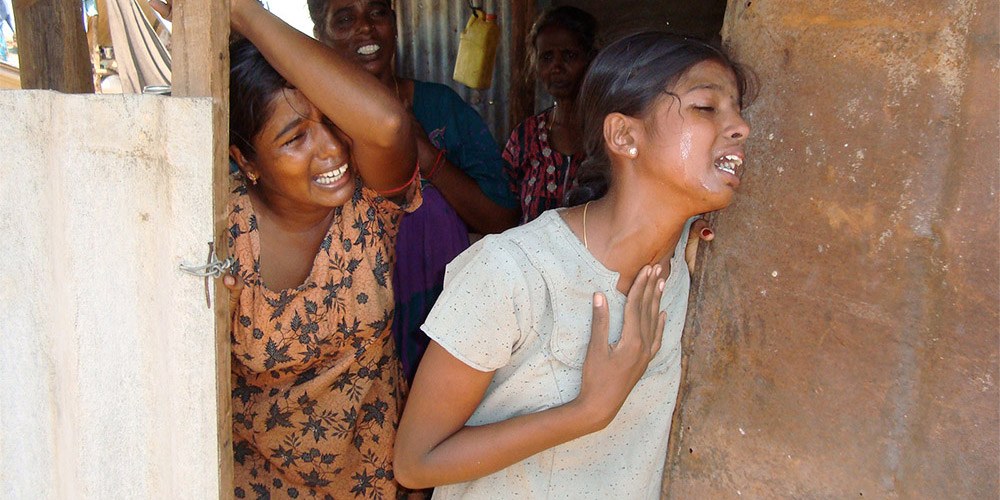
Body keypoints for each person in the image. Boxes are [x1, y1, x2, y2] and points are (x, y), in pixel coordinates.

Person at [393, 31, 752, 498]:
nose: (741, 126)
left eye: (738, 109)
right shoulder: (511, 273)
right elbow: (415, 463)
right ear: (624, 135)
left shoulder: (683, 260)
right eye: (706, 107)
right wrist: (588, 411)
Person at [150, 0, 420, 496]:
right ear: (245, 160)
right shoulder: (218, 228)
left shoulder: (369, 204)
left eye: (333, 121)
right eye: (295, 138)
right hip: (257, 486)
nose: (333, 149)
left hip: (375, 482)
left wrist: (240, 11)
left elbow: (388, 125)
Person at [305, 0, 519, 383]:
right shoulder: (309, 126)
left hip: (442, 337)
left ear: (393, 22)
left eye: (376, 13)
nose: (366, 29)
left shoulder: (440, 110)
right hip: (347, 350)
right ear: (320, 35)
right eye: (344, 19)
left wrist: (427, 157)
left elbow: (502, 219)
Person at [503, 6, 599, 225]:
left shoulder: (609, 134)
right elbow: (504, 210)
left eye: (569, 55)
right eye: (547, 57)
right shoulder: (525, 137)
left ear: (592, 59)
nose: (556, 66)